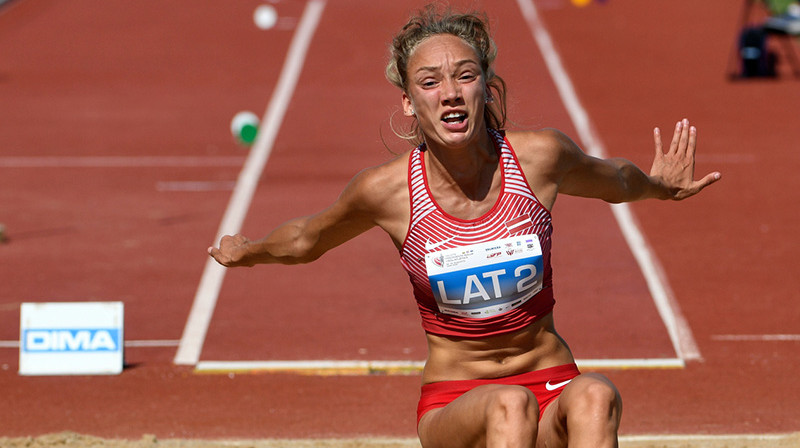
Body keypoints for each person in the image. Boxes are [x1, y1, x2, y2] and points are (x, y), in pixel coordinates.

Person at [208, 5, 721, 448]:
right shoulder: (387, 192)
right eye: (430, 82)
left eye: (465, 76)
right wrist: (247, 250)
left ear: (487, 87)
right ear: (410, 103)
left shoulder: (539, 158)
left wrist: (660, 186)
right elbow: (306, 239)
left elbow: (614, 180)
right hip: (459, 401)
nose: (450, 93)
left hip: (551, 377)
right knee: (508, 406)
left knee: (596, 395)